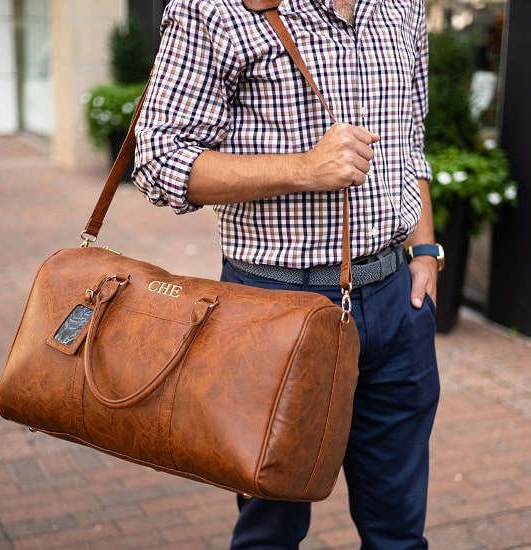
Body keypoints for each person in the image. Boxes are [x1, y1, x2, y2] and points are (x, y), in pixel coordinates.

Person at [133, 0, 442, 547]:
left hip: (398, 304)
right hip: (274, 310)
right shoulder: (215, 8)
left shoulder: (404, 5)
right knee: (269, 530)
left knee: (399, 531)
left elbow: (410, 139)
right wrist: (303, 167)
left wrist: (425, 252)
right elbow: (158, 159)